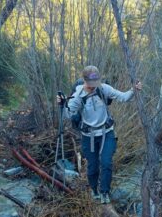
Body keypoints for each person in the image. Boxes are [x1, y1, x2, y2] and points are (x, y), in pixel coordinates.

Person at [57, 65, 142, 204]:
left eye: (94, 84)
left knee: (106, 162)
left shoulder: (104, 89)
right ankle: (94, 190)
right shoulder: (78, 95)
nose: (92, 87)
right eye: (90, 85)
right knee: (93, 166)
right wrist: (62, 104)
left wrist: (134, 89)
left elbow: (124, 97)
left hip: (106, 133)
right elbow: (68, 115)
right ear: (84, 81)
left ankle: (104, 192)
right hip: (88, 136)